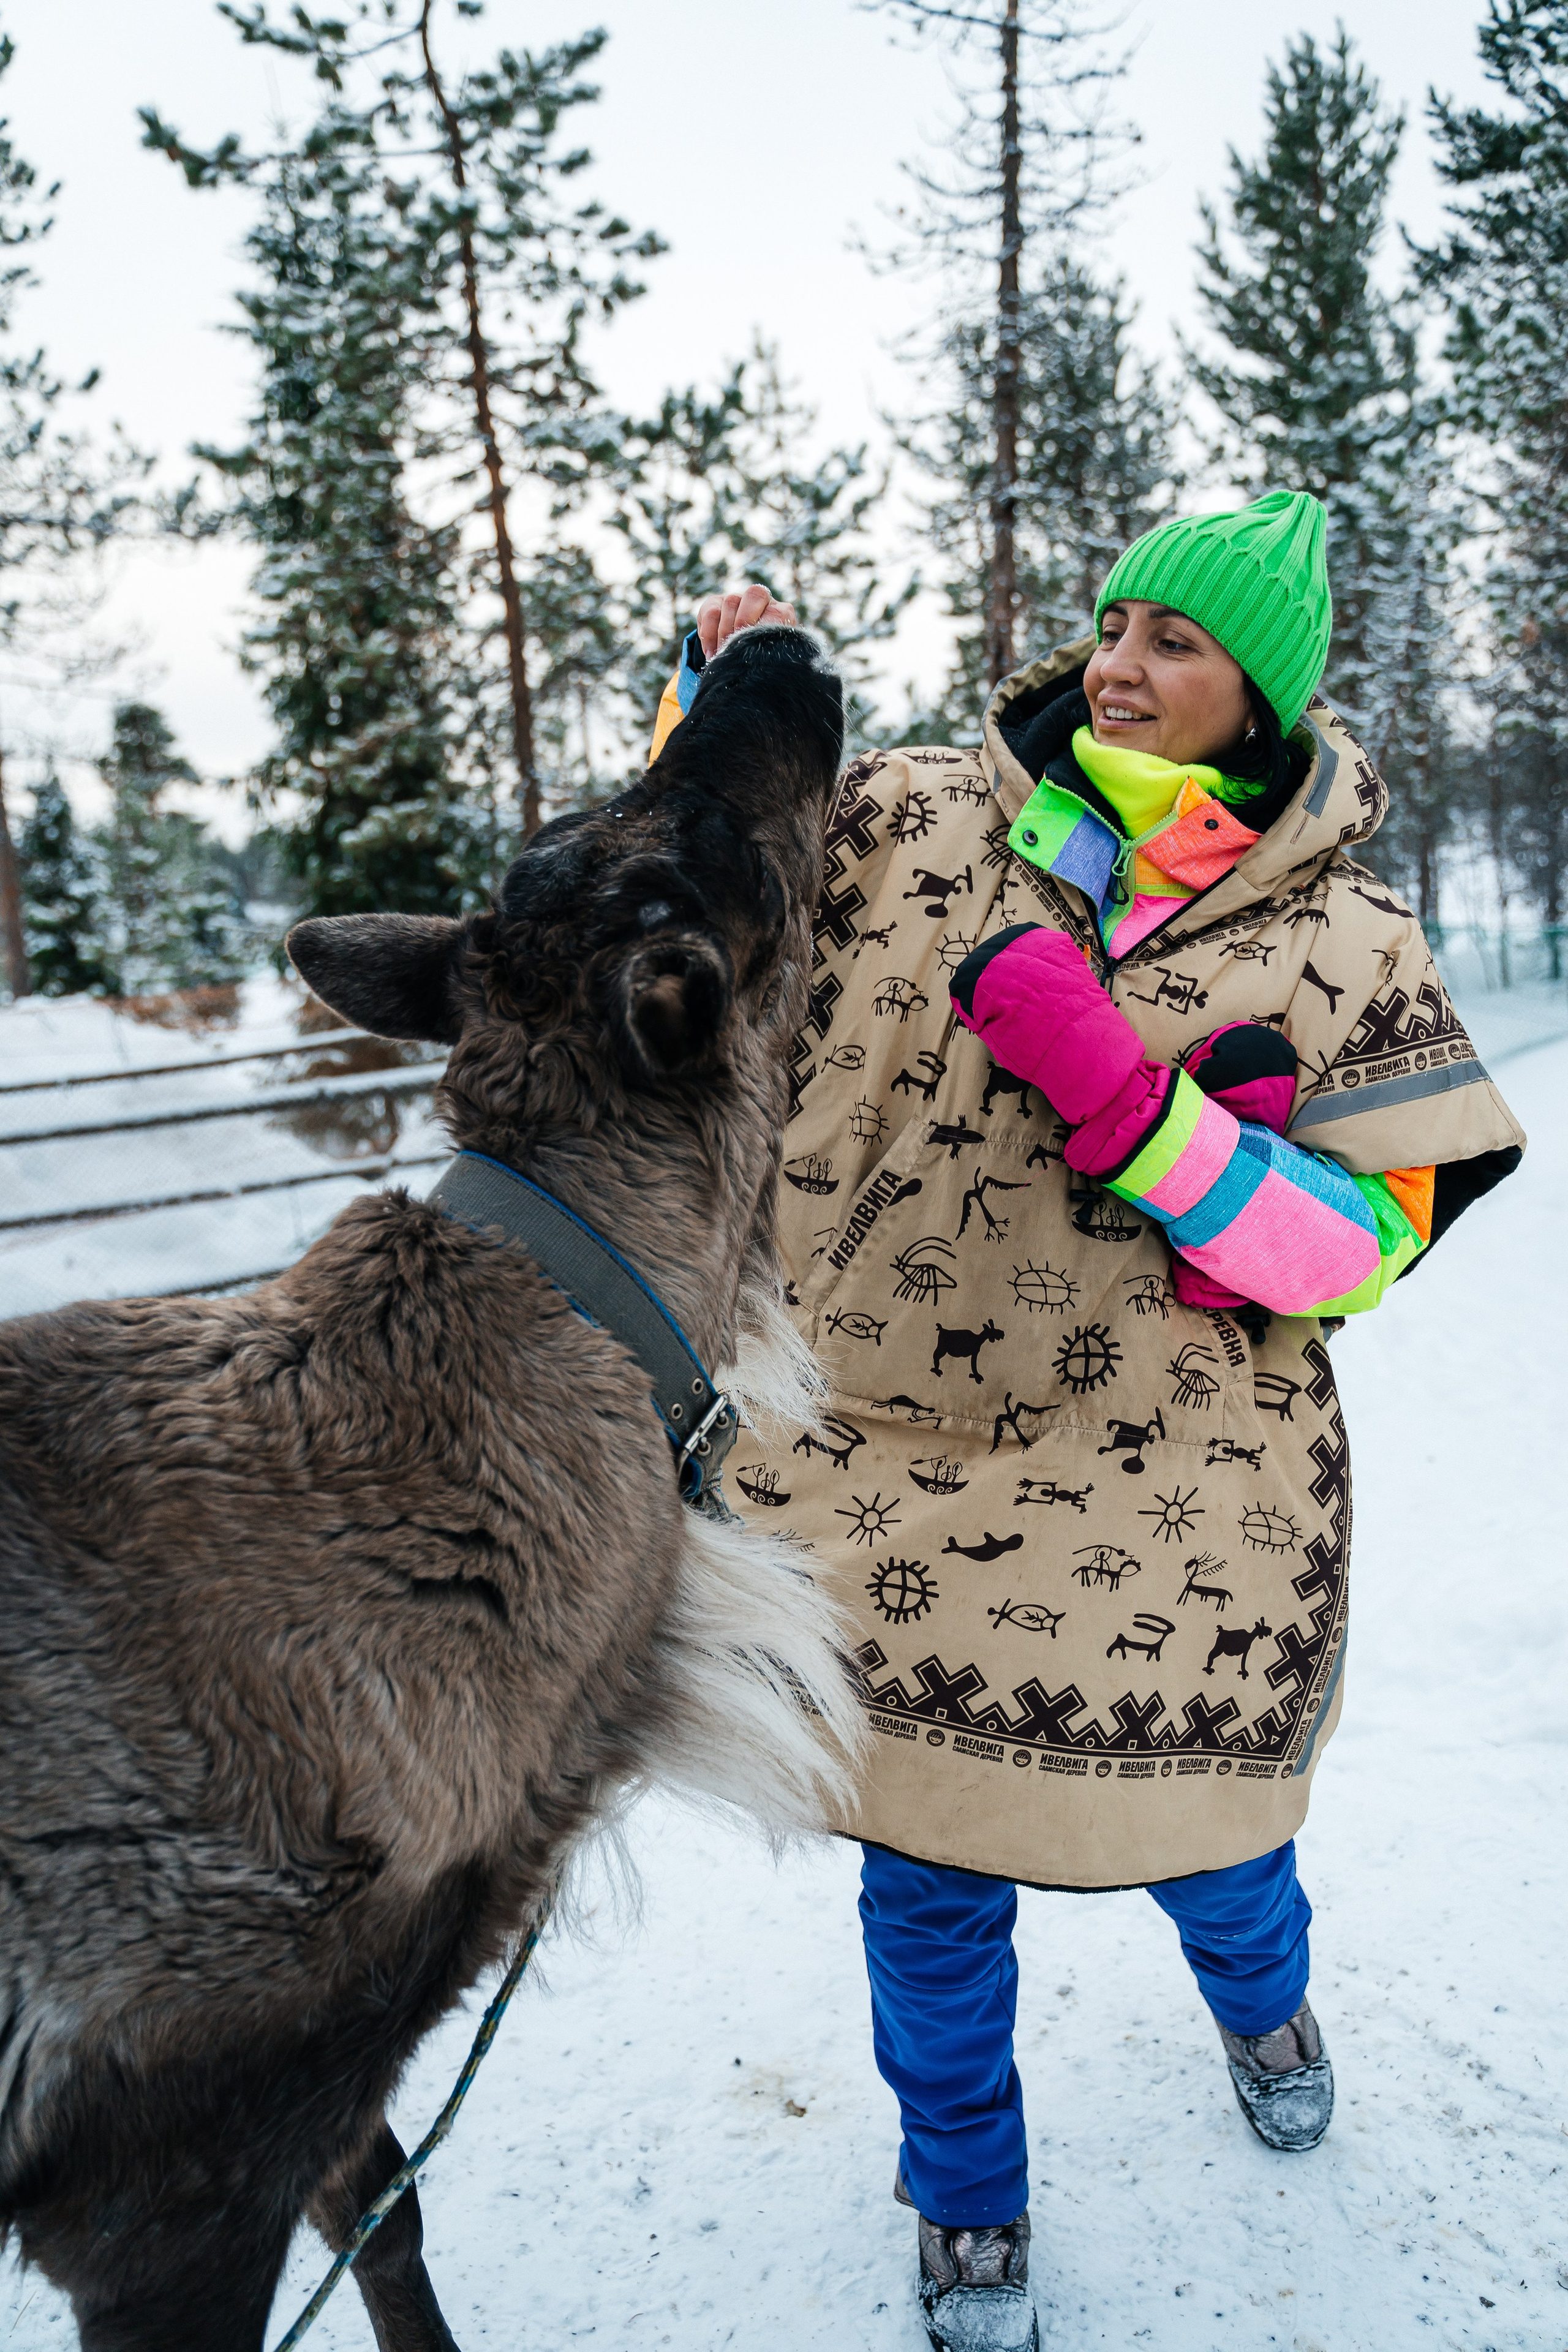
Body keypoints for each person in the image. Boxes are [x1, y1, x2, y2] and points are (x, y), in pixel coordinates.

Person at [654, 494, 1525, 2352]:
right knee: (929, 1874)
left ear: (1262, 704)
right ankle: (966, 2195)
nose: (1116, 662)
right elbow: (700, 888)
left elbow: (1354, 1252)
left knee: (1217, 1842)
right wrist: (727, 699)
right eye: (1113, 620)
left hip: (1174, 1484)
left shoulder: (1348, 938)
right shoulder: (909, 815)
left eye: (1175, 644)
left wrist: (1137, 1108)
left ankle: (1262, 2000)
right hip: (884, 1458)